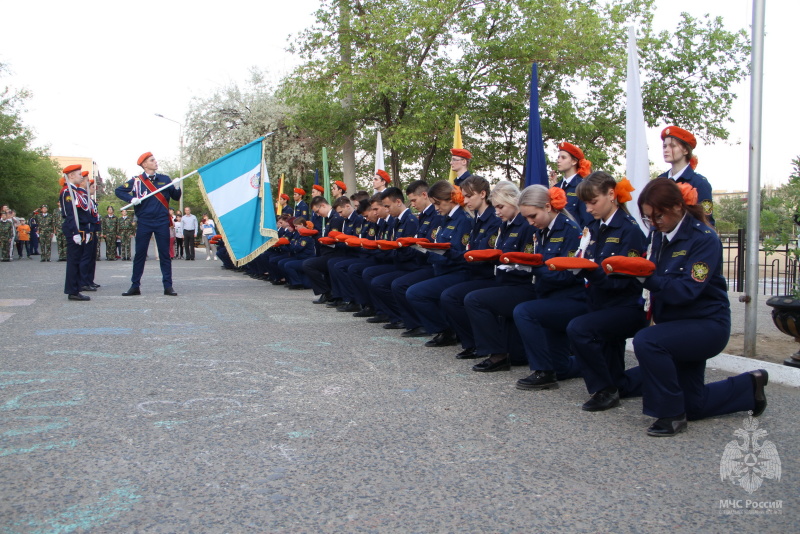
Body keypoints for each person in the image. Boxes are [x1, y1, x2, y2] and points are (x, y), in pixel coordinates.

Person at [629, 177, 766, 436]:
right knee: (694, 405)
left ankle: (670, 415)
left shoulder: (703, 239)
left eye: (658, 216)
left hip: (705, 325)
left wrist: (648, 279)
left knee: (647, 341)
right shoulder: (659, 236)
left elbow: (686, 290)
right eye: (648, 218)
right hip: (676, 326)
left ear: (678, 207)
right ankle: (750, 386)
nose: (654, 223)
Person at [562, 172, 648, 410]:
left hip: (626, 306)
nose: (588, 209)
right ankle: (626, 382)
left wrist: (590, 271)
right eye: (585, 203)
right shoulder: (592, 227)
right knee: (619, 378)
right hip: (599, 301)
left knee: (579, 329)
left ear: (611, 195)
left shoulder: (629, 230)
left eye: (593, 201)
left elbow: (625, 281)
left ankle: (604, 390)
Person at [405, 176, 501, 345]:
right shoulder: (449, 218)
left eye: (438, 204)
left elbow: (459, 252)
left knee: (420, 293)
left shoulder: (465, 219)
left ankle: (452, 332)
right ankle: (449, 331)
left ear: (449, 200)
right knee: (413, 289)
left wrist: (434, 251)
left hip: (459, 270)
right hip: (444, 268)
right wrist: (425, 249)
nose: (436, 208)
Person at [440, 179, 529, 358]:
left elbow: (496, 255)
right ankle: (477, 344)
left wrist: (458, 255)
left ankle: (493, 353)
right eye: (495, 207)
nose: (497, 212)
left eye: (500, 207)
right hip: (490, 275)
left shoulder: (520, 225)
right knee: (450, 295)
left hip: (507, 280)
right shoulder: (498, 222)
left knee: (471, 299)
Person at [510, 186, 586, 381]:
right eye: (526, 217)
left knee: (523, 311)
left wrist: (533, 269)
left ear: (547, 206)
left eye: (533, 216)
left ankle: (543, 372)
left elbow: (567, 275)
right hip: (548, 296)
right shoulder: (542, 230)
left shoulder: (570, 230)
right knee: (562, 369)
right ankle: (593, 361)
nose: (530, 222)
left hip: (571, 299)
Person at [115, 152, 182, 296]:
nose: (155, 162)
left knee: (165, 255)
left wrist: (176, 187)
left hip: (161, 221)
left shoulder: (165, 179)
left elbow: (176, 197)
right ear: (144, 165)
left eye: (155, 160)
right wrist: (131, 199)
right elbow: (119, 191)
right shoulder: (136, 181)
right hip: (144, 221)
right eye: (152, 160)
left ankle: (168, 286)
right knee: (140, 254)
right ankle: (135, 286)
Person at [658, 125, 715, 226]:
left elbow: (707, 222)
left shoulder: (699, 183)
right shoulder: (660, 180)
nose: (666, 150)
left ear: (685, 150)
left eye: (672, 146)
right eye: (664, 146)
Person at [59, 164, 92, 301]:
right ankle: (72, 291)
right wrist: (74, 232)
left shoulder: (77, 191)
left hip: (82, 228)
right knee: (74, 261)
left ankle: (77, 288)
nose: (81, 176)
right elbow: (69, 214)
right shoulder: (67, 192)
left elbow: (85, 213)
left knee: (78, 260)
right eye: (79, 174)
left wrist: (88, 230)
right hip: (75, 229)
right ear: (71, 175)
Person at [554, 141, 593, 228]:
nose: (558, 160)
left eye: (563, 158)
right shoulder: (556, 187)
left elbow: (588, 219)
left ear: (574, 161)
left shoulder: (583, 186)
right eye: (558, 157)